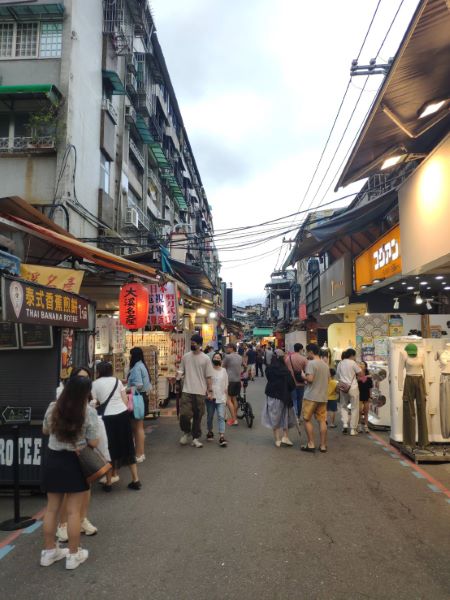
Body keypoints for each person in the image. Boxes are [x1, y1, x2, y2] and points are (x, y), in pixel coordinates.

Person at [41, 376, 98, 570]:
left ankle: (49, 552)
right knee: (73, 511)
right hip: (75, 462)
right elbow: (94, 442)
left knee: (51, 509)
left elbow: (46, 430)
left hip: (53, 459)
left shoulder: (52, 407)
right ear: (85, 393)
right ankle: (74, 555)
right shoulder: (88, 412)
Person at [55, 367, 103, 544]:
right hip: (67, 450)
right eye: (81, 379)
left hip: (84, 450)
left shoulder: (87, 398)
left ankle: (82, 520)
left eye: (87, 379)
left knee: (86, 487)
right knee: (69, 491)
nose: (85, 383)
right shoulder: (61, 396)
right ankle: (63, 526)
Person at [92, 361, 141, 490]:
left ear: (98, 371)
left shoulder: (94, 384)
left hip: (107, 418)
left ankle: (108, 483)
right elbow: (125, 400)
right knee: (128, 446)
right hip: (122, 415)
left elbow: (94, 403)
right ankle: (136, 480)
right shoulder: (117, 381)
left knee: (109, 447)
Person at [177, 333, 214, 448]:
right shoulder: (186, 356)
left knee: (198, 416)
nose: (192, 345)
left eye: (194, 343)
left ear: (199, 344)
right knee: (184, 414)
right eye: (191, 343)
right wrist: (177, 377)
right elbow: (181, 370)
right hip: (187, 390)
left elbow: (208, 376)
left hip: (200, 391)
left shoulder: (206, 358)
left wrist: (210, 390)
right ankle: (186, 432)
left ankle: (195, 437)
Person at [262, 349, 296, 447]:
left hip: (272, 395)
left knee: (274, 416)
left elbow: (269, 379)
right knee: (285, 416)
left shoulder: (269, 369)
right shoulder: (285, 370)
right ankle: (285, 436)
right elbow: (292, 385)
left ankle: (277, 439)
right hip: (285, 396)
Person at [301, 343, 330, 453]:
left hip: (311, 396)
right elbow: (328, 380)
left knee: (307, 419)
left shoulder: (311, 363)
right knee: (322, 420)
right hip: (323, 397)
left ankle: (311, 444)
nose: (306, 354)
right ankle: (323, 445)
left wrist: (304, 376)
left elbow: (310, 379)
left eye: (307, 352)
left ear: (311, 352)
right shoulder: (325, 365)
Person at [127, 347, 152, 462]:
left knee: (137, 427)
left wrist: (126, 389)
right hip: (142, 398)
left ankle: (139, 454)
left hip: (137, 398)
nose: (129, 357)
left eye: (131, 355)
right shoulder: (142, 365)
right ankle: (139, 453)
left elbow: (138, 385)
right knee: (138, 427)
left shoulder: (137, 367)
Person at [337, 348, 362, 436]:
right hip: (353, 387)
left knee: (343, 406)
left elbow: (338, 375)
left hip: (343, 387)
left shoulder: (340, 363)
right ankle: (353, 429)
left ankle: (345, 424)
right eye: (355, 355)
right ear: (352, 355)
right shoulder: (353, 363)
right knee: (355, 408)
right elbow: (360, 374)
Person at [206, 352, 229, 447]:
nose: (216, 358)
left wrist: (226, 399)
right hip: (210, 398)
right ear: (212, 359)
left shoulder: (224, 371)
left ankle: (222, 436)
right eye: (215, 357)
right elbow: (206, 382)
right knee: (210, 416)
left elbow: (226, 384)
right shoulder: (209, 370)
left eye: (218, 357)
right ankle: (210, 431)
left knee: (221, 416)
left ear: (221, 360)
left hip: (221, 397)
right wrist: (208, 393)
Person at [285, 343, 308, 420]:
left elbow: (286, 370)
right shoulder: (303, 359)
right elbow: (306, 371)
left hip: (291, 383)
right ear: (300, 349)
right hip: (301, 382)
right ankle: (298, 416)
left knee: (293, 399)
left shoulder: (288, 358)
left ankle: (295, 417)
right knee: (300, 400)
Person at [222, 343, 243, 426]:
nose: (227, 349)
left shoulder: (228, 357)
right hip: (237, 380)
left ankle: (234, 419)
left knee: (228, 400)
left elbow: (223, 366)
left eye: (227, 348)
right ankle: (235, 417)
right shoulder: (240, 357)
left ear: (231, 348)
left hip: (230, 380)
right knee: (234, 399)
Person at [358, 361, 373, 433]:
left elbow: (370, 387)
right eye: (360, 364)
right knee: (360, 411)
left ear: (365, 366)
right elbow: (359, 379)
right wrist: (366, 377)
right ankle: (359, 425)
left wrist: (370, 396)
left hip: (366, 394)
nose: (361, 365)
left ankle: (366, 426)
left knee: (366, 411)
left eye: (362, 364)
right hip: (359, 394)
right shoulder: (357, 373)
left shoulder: (369, 375)